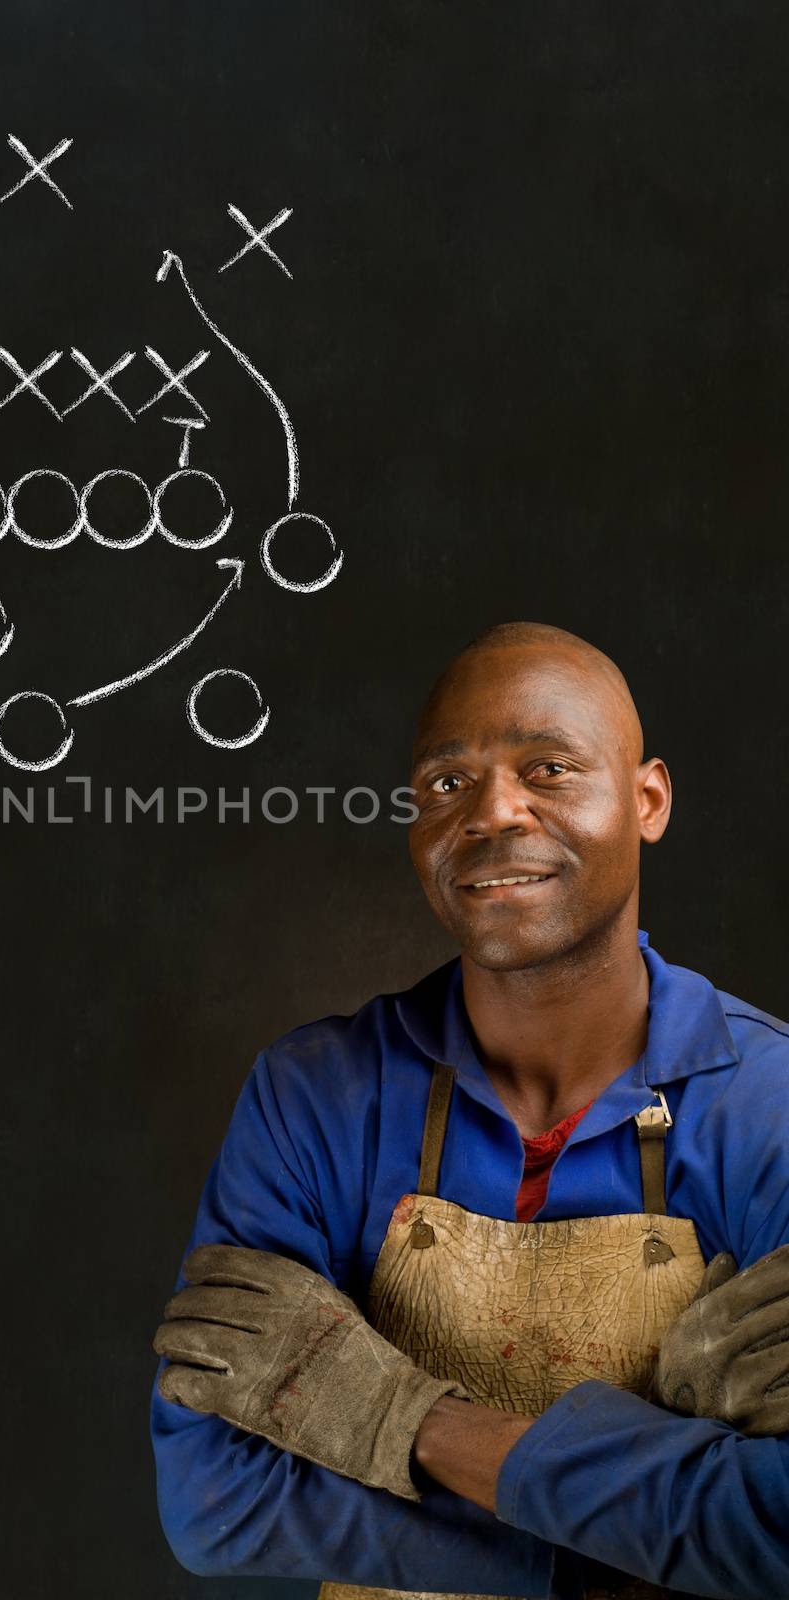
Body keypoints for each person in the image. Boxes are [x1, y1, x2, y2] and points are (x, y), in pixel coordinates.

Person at [149, 622, 789, 1600]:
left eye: (547, 767)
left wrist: (399, 1417)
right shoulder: (313, 1096)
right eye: (446, 783)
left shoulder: (767, 1103)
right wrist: (665, 1531)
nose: (491, 811)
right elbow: (211, 1498)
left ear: (646, 798)